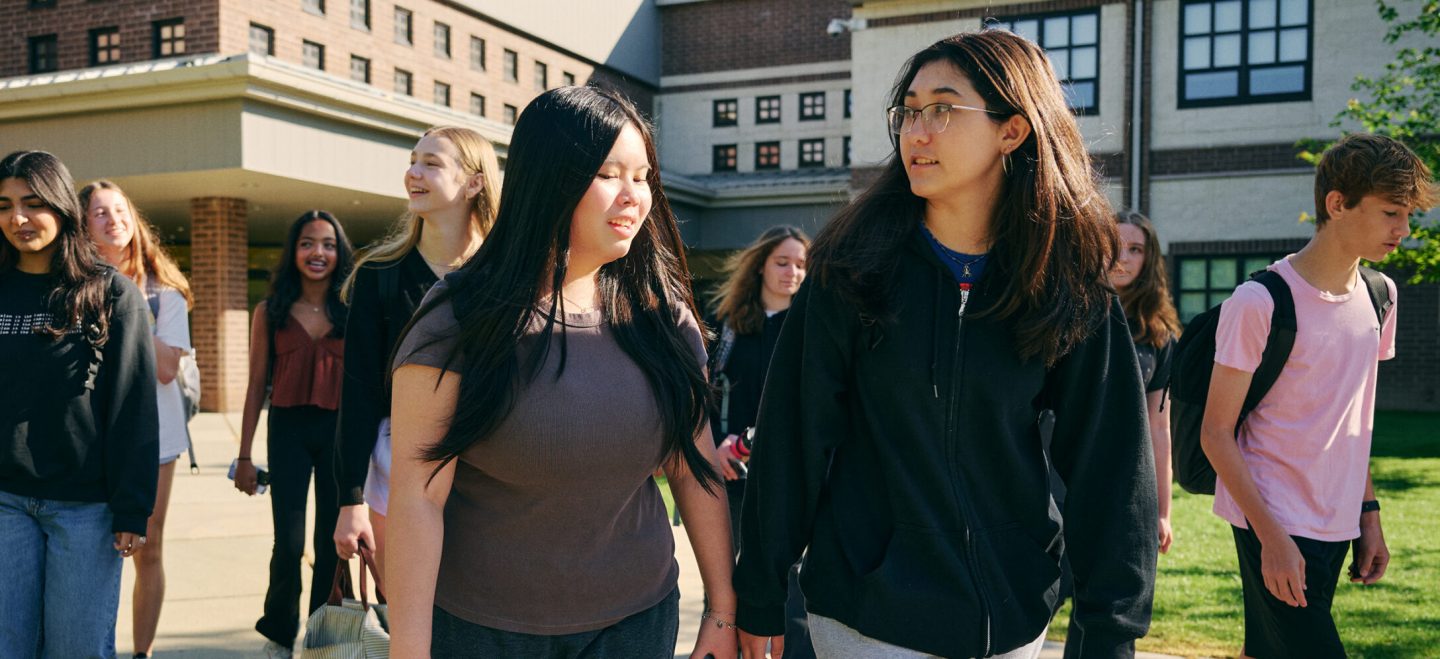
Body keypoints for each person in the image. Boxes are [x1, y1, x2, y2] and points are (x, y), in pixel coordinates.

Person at [733, 31, 1157, 659]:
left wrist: (1110, 633)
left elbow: (1113, 468)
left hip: (1012, 620)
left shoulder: (1065, 284)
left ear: (1012, 131)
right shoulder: (851, 272)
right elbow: (792, 440)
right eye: (909, 110)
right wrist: (762, 592)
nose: (916, 131)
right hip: (866, 620)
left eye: (942, 109)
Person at [386, 86, 737, 658]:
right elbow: (416, 499)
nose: (633, 197)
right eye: (608, 174)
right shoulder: (457, 316)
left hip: (636, 625)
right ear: (550, 179)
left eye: (642, 176)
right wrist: (410, 650)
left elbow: (694, 467)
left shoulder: (662, 318)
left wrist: (722, 610)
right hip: (482, 633)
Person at [1201, 133, 1432, 658]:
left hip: (1337, 521)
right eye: (1392, 212)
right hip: (1272, 516)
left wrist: (1368, 517)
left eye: (1408, 215)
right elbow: (1215, 434)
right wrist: (1271, 539)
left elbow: (1354, 419)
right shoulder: (1259, 302)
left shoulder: (1381, 296)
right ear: (1337, 204)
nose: (1405, 229)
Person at [0, 150, 159, 657]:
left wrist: (133, 508)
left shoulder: (110, 294)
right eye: (3, 205)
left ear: (63, 207)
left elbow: (133, 406)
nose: (17, 218)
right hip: (4, 502)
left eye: (32, 203)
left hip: (85, 509)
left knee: (77, 648)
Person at [332, 126, 500, 575]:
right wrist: (350, 500)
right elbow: (359, 393)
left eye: (431, 163)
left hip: (492, 471)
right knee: (407, 617)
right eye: (412, 160)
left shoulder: (505, 276)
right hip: (398, 470)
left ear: (475, 182)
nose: (413, 173)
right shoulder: (379, 275)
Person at [81, 179, 195, 659]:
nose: (115, 220)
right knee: (90, 551)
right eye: (100, 213)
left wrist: (122, 300)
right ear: (83, 226)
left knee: (146, 547)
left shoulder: (160, 293)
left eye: (121, 210)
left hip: (155, 439)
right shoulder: (68, 288)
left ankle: (140, 653)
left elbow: (167, 368)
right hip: (87, 441)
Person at [234, 210, 354, 658]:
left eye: (327, 243)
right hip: (286, 430)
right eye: (307, 243)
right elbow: (254, 385)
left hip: (340, 433)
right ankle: (279, 634)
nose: (317, 252)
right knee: (288, 542)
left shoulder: (353, 310)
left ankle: (324, 636)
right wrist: (244, 456)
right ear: (293, 251)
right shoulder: (270, 311)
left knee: (331, 544)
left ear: (339, 252)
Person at [705, 224, 812, 657]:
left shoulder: (811, 324)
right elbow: (703, 395)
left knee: (792, 582)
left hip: (790, 475)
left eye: (802, 265)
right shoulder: (726, 325)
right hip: (729, 475)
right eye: (782, 262)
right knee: (728, 581)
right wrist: (714, 448)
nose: (793, 272)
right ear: (761, 266)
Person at [1111, 209, 1181, 554]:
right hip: (1055, 480)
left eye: (1135, 249)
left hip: (1125, 483)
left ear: (1148, 258)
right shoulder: (1064, 315)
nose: (1122, 257)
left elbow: (1159, 427)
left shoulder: (1159, 337)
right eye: (1114, 244)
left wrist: (1162, 511)